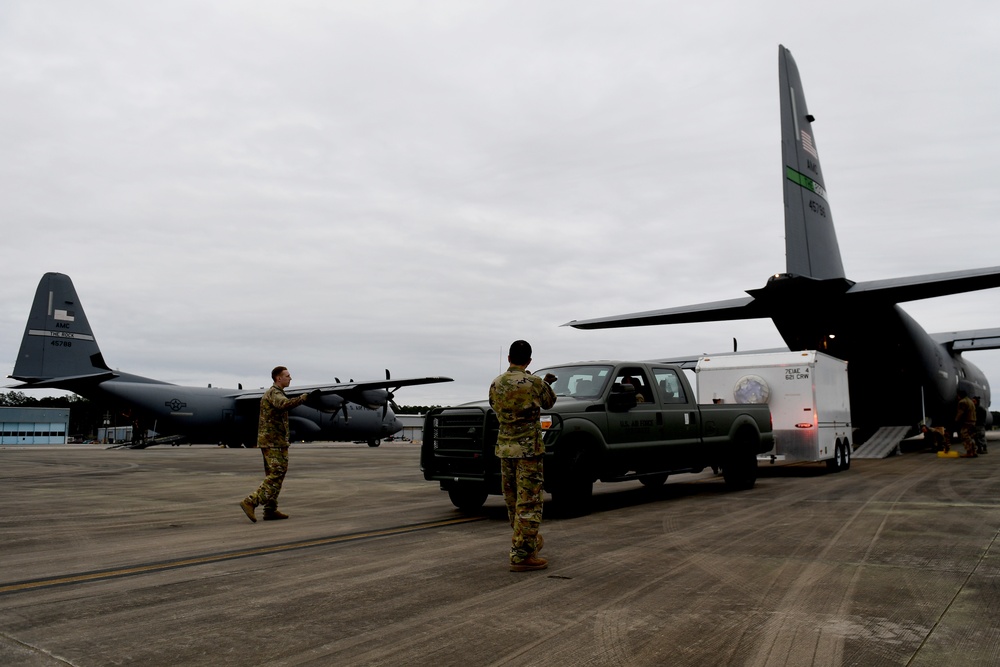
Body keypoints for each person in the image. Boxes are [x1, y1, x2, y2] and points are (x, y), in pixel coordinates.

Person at [489, 340, 557, 572]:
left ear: (508, 358)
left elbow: (494, 405)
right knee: (529, 502)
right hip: (528, 450)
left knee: (512, 499)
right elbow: (549, 402)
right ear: (529, 361)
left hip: (505, 449)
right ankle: (522, 554)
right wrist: (546, 383)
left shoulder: (497, 383)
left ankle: (525, 542)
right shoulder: (535, 383)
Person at [240, 366, 317, 522]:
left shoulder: (274, 393)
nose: (290, 378)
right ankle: (251, 501)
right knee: (277, 473)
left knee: (273, 475)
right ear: (278, 378)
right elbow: (284, 404)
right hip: (274, 441)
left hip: (272, 441)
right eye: (287, 376)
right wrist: (303, 398)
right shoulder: (275, 393)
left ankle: (270, 510)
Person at [955, 388, 978, 458]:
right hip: (973, 421)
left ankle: (969, 452)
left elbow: (960, 413)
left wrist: (956, 420)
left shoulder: (962, 402)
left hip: (967, 421)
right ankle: (974, 451)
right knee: (970, 437)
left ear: (960, 395)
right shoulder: (970, 401)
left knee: (965, 436)